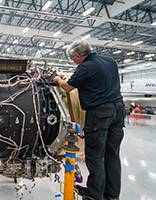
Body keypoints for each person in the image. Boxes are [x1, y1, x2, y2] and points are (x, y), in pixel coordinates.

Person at [53, 40, 126, 200]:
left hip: (100, 114)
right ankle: (112, 195)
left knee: (95, 155)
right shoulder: (110, 61)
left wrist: (58, 80)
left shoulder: (85, 67)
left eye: (72, 58)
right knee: (112, 155)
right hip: (119, 110)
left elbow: (68, 87)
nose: (72, 61)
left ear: (78, 55)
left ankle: (95, 194)